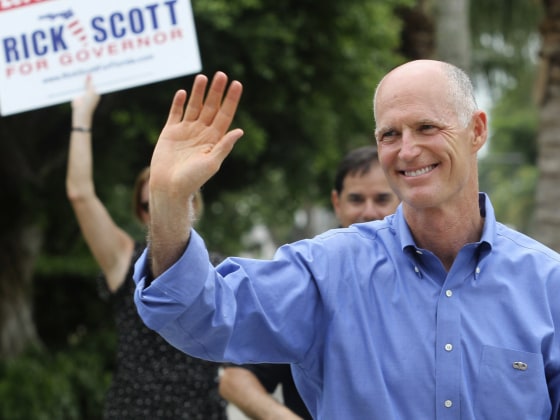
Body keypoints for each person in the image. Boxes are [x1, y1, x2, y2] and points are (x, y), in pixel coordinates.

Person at [133, 61, 560, 419]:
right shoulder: (327, 272)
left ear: (478, 130)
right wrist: (169, 200)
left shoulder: (547, 283)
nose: (407, 150)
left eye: (427, 127)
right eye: (390, 135)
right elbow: (195, 314)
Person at [66, 76, 227, 420]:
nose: (161, 211)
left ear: (194, 203)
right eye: (149, 204)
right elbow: (80, 193)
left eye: (178, 196)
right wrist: (81, 116)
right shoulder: (126, 261)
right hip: (134, 411)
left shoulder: (220, 267)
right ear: (139, 213)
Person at [218, 145, 399, 419]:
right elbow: (234, 377)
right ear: (337, 203)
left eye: (382, 199)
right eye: (356, 199)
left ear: (403, 200)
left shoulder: (436, 277)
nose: (368, 211)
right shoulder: (308, 280)